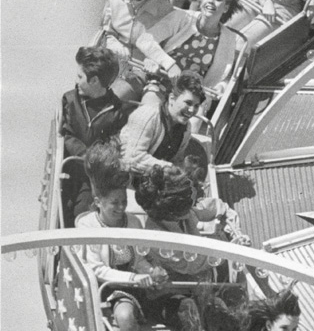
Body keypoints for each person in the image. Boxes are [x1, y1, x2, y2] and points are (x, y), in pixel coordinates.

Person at [75, 139, 169, 331]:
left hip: (131, 287)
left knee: (120, 324)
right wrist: (133, 278)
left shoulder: (133, 223)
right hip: (105, 288)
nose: (120, 208)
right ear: (98, 202)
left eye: (123, 202)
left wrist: (150, 273)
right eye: (114, 203)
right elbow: (96, 269)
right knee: (123, 318)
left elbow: (139, 259)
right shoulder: (87, 226)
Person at [134, 0, 246, 108]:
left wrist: (220, 88)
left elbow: (225, 76)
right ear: (201, 0)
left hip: (193, 96)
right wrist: (169, 65)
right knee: (149, 110)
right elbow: (144, 40)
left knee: (194, 117)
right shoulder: (182, 17)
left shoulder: (229, 38)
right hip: (162, 82)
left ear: (226, 8)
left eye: (218, 0)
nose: (211, 2)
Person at [61, 46, 133, 227]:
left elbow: (113, 145)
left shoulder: (117, 112)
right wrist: (86, 155)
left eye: (80, 77)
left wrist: (93, 161)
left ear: (94, 80)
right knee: (62, 212)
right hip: (70, 172)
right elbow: (67, 135)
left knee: (82, 214)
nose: (76, 81)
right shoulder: (69, 100)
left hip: (93, 177)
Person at [134, 164, 241, 282]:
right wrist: (233, 246)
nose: (192, 205)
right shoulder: (160, 242)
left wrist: (235, 230)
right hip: (188, 278)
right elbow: (195, 264)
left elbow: (215, 208)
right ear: (172, 213)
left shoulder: (178, 209)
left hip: (209, 255)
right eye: (187, 205)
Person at [120, 71, 205, 174]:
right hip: (121, 172)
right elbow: (131, 159)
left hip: (149, 175)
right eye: (188, 103)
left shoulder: (186, 128)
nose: (192, 110)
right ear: (172, 99)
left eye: (196, 106)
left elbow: (175, 160)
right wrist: (168, 168)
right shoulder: (148, 116)